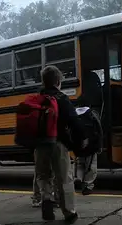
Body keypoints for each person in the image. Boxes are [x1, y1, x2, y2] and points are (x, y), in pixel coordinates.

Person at [34, 65, 88, 223]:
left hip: (40, 145)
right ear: (58, 81)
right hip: (58, 143)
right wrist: (81, 140)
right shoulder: (61, 98)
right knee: (64, 178)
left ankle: (46, 200)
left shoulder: (36, 99)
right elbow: (74, 121)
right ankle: (69, 212)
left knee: (43, 176)